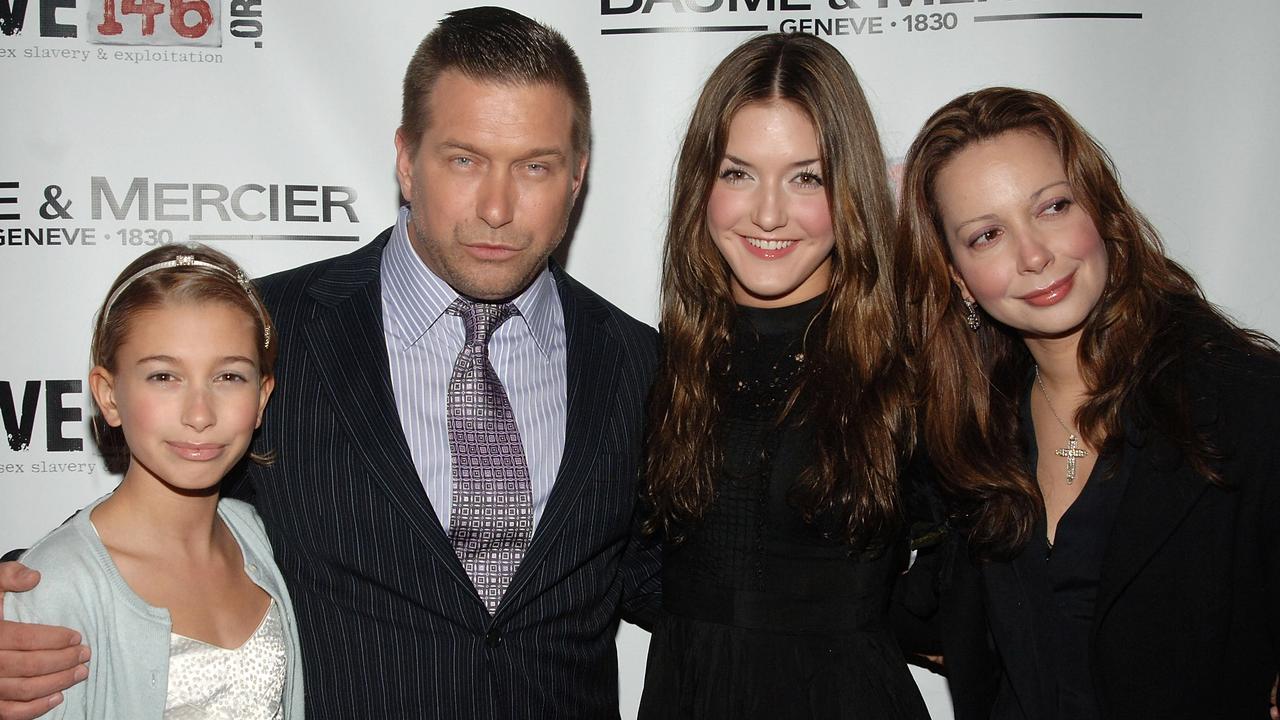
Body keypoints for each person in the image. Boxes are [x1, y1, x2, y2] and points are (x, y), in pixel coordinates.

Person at [0, 7, 660, 719]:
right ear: (407, 161)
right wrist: (26, 596)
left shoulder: (632, 359)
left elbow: (679, 577)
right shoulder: (269, 330)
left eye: (535, 166)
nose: (497, 207)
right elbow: (154, 507)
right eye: (463, 160)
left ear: (577, 176)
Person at [894, 86, 1280, 719]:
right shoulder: (967, 434)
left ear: (1100, 210)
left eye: (1051, 207)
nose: (1035, 255)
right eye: (987, 234)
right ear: (957, 276)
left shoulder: (1242, 405)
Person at [638, 33, 928, 719]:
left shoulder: (908, 369)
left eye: (808, 177)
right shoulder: (654, 366)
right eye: (739, 173)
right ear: (701, 184)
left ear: (851, 187)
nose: (768, 213)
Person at [3, 244, 304, 718]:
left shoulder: (258, 538)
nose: (200, 414)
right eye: (164, 376)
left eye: (228, 376)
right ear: (109, 396)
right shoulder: (57, 585)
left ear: (262, 397)